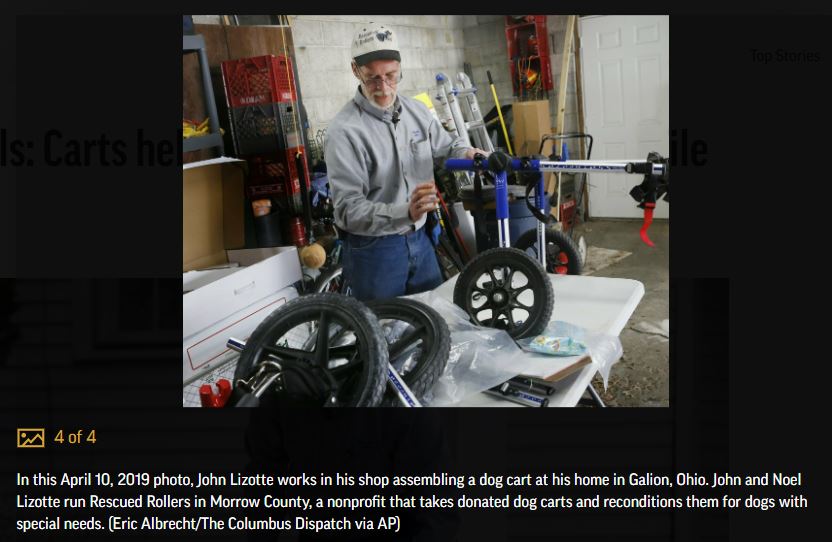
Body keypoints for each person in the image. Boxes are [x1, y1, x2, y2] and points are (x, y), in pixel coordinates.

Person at [324, 23, 486, 301]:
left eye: (391, 76)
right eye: (372, 78)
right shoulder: (344, 132)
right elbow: (348, 210)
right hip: (375, 252)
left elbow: (447, 147)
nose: (384, 88)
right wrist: (404, 212)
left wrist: (469, 153)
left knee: (432, 325)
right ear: (355, 71)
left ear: (400, 68)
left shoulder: (416, 112)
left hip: (421, 242)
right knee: (384, 334)